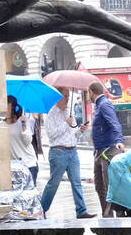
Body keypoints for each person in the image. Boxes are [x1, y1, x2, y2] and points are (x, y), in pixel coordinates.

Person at [40, 90, 97, 219]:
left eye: (67, 96)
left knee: (76, 182)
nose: (67, 98)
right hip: (58, 151)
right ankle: (42, 209)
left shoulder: (68, 112)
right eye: (64, 96)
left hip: (73, 151)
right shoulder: (50, 113)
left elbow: (73, 134)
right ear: (58, 97)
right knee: (53, 183)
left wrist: (80, 130)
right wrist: (66, 123)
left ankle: (81, 211)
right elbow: (52, 135)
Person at [89, 81, 126, 216]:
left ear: (91, 93)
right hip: (99, 151)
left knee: (108, 186)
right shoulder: (99, 106)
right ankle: (107, 215)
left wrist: (119, 141)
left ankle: (113, 215)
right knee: (99, 186)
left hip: (107, 151)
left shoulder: (104, 104)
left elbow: (115, 124)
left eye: (89, 94)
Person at [0, 99, 38, 185]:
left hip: (29, 164)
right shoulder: (1, 124)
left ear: (13, 108)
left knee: (29, 195)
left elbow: (28, 141)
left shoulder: (22, 121)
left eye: (8, 108)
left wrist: (24, 125)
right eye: (4, 108)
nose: (6, 110)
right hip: (15, 167)